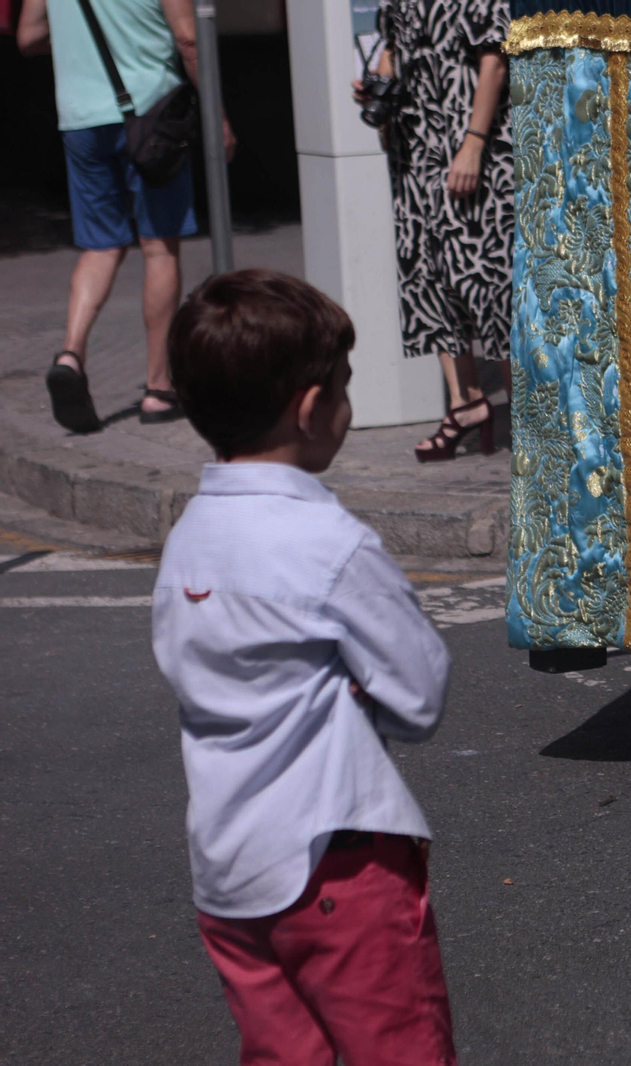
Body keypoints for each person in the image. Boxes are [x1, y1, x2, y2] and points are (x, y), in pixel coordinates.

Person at [153, 270, 456, 1064]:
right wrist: (359, 687)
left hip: (227, 868)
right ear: (313, 408)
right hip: (339, 860)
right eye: (345, 388)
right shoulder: (330, 542)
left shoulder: (187, 536)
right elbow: (420, 694)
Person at [16, 0, 234, 432]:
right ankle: (158, 388)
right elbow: (189, 39)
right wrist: (218, 116)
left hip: (80, 120)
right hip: (152, 116)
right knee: (158, 248)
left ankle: (71, 354)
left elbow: (29, 37)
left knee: (101, 245)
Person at [355, 0, 513, 462]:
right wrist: (375, 88)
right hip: (415, 149)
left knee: (493, 278)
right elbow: (393, 49)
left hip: (471, 143)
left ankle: (529, 415)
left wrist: (473, 145)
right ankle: (465, 405)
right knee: (428, 274)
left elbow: (496, 60)